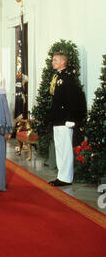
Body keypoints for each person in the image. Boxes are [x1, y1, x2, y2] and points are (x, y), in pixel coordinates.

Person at [48, 52, 86, 187]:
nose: (53, 62)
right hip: (58, 118)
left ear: (63, 62)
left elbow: (74, 100)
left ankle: (66, 177)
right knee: (59, 147)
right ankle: (61, 175)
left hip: (65, 120)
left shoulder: (68, 78)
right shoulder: (58, 77)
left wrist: (72, 119)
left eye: (55, 60)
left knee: (65, 149)